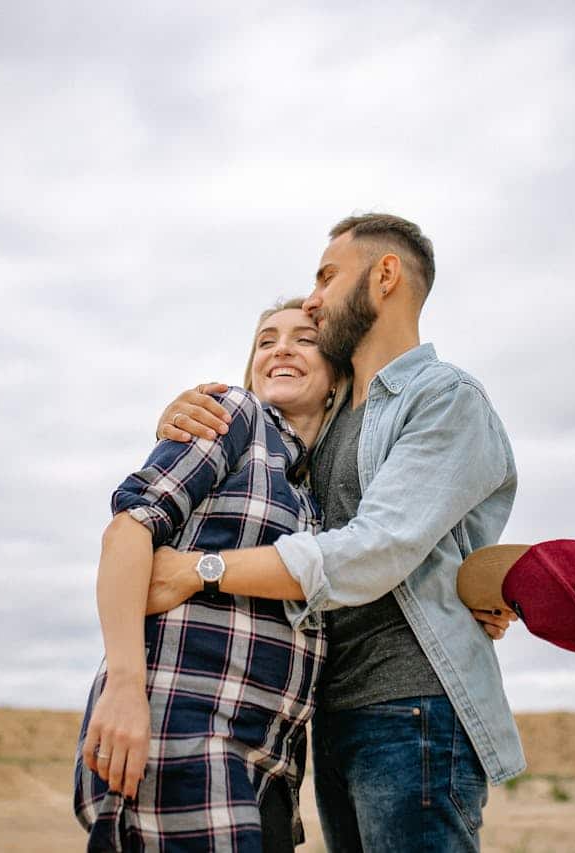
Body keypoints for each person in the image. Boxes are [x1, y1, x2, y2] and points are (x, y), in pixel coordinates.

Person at [148, 213, 524, 852]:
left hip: (414, 708)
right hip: (325, 713)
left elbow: (378, 548)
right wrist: (180, 412)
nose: (315, 298)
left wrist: (200, 569)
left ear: (384, 276)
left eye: (327, 276)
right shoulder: (331, 412)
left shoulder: (444, 397)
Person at [74, 300, 340, 852]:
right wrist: (124, 688)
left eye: (304, 339)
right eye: (266, 341)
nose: (281, 348)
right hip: (180, 736)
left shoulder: (317, 489)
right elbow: (127, 530)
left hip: (265, 763)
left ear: (338, 374)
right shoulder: (235, 417)